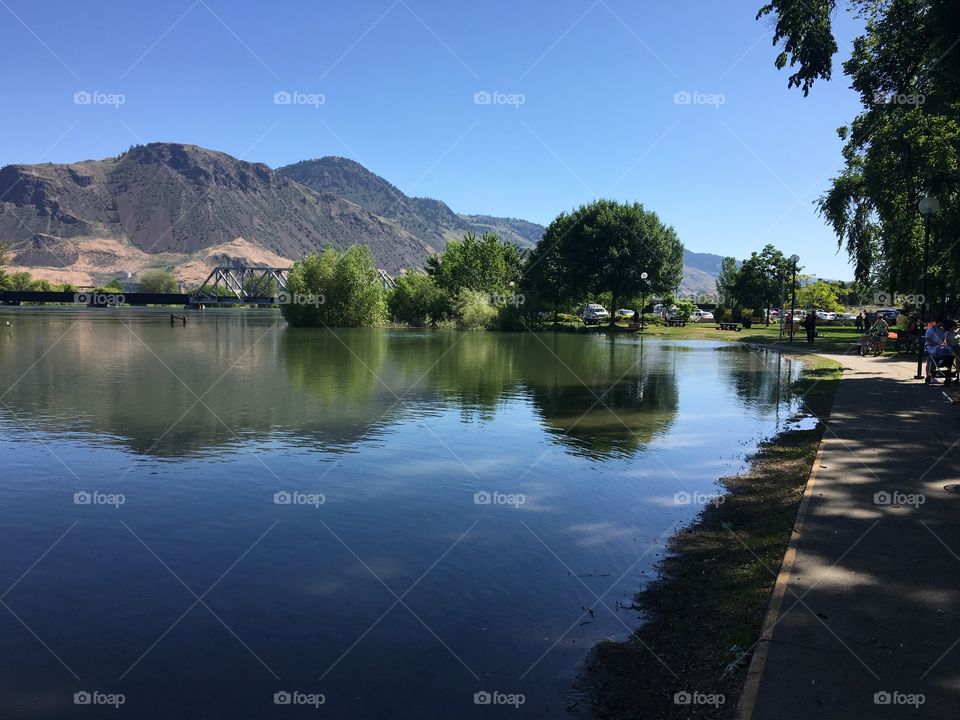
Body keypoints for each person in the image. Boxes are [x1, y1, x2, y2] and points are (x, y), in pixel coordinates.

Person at [925, 318, 956, 385]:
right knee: (930, 362)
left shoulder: (942, 331)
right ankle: (928, 376)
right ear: (938, 323)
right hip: (931, 347)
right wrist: (935, 344)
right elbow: (927, 338)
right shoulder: (931, 329)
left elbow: (942, 340)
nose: (942, 324)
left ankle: (947, 374)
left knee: (947, 354)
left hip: (939, 347)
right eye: (941, 323)